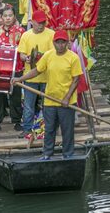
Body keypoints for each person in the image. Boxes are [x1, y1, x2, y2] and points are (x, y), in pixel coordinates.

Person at [12, 30, 81, 159]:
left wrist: (66, 98)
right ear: (53, 43)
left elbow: (76, 79)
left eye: (63, 42)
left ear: (67, 43)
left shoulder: (73, 58)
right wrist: (20, 79)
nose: (60, 45)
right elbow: (36, 71)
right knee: (49, 129)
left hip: (66, 101)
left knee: (67, 130)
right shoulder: (48, 55)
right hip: (50, 100)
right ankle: (47, 153)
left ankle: (68, 154)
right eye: (57, 42)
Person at [15, 9, 54, 139]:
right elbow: (21, 54)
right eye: (38, 23)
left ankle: (48, 128)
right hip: (30, 75)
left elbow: (53, 55)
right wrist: (25, 58)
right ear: (32, 22)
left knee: (47, 104)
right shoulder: (26, 35)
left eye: (43, 23)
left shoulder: (51, 34)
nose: (41, 25)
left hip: (46, 76)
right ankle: (27, 129)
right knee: (28, 105)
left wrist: (40, 56)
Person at [0, 6, 24, 133]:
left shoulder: (20, 31)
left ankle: (17, 121)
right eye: (5, 16)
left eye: (10, 16)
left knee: (15, 96)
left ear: (14, 17)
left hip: (15, 67)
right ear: (1, 18)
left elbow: (24, 49)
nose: (7, 18)